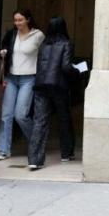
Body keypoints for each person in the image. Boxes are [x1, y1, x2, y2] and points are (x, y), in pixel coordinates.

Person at [27, 17, 77, 170]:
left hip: (41, 86)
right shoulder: (66, 44)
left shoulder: (43, 44)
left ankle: (34, 159)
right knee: (64, 119)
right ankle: (66, 153)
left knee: (39, 122)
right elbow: (66, 67)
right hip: (58, 86)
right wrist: (78, 72)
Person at [0, 9, 45, 160]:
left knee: (21, 115)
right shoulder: (11, 34)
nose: (17, 23)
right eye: (16, 20)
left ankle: (36, 143)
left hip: (29, 78)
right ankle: (4, 150)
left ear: (28, 20)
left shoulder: (38, 35)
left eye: (20, 20)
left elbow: (45, 56)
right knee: (6, 115)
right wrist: (3, 52)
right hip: (11, 78)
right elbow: (5, 49)